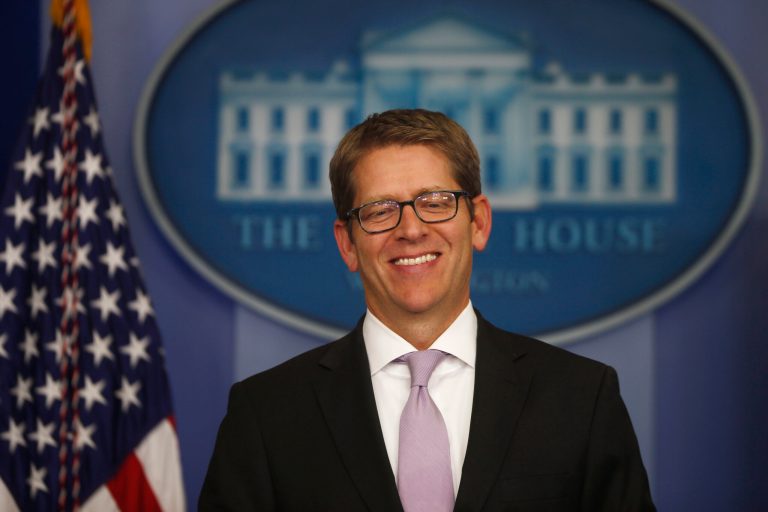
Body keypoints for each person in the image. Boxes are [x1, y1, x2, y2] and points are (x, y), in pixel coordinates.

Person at [199, 109, 656, 511]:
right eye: (380, 211)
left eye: (435, 203)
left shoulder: (582, 398)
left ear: (478, 222)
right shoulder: (265, 415)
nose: (411, 230)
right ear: (347, 243)